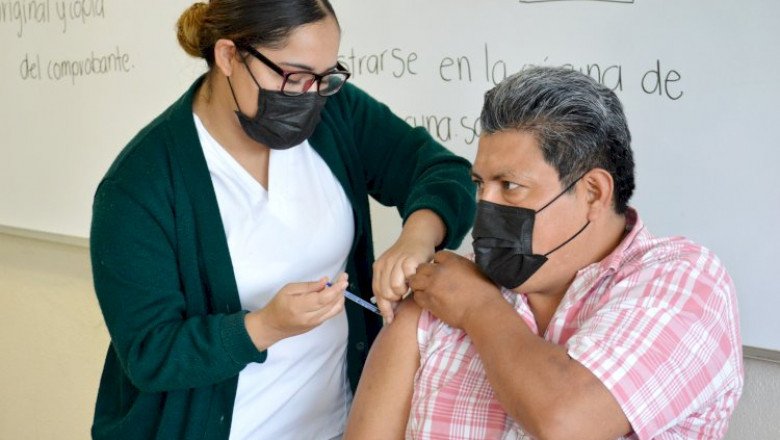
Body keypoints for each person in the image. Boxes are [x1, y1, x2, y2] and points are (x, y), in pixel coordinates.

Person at [89, 1, 475, 439]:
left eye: (324, 78)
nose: (309, 96)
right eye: (292, 76)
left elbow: (442, 171)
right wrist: (265, 325)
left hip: (335, 426)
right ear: (229, 56)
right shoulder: (140, 186)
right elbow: (151, 353)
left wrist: (418, 237)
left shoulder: (336, 113)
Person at [345, 66, 743, 440]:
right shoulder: (442, 291)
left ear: (593, 193)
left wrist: (478, 308)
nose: (484, 205)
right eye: (480, 184)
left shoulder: (685, 282)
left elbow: (567, 419)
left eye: (510, 186)